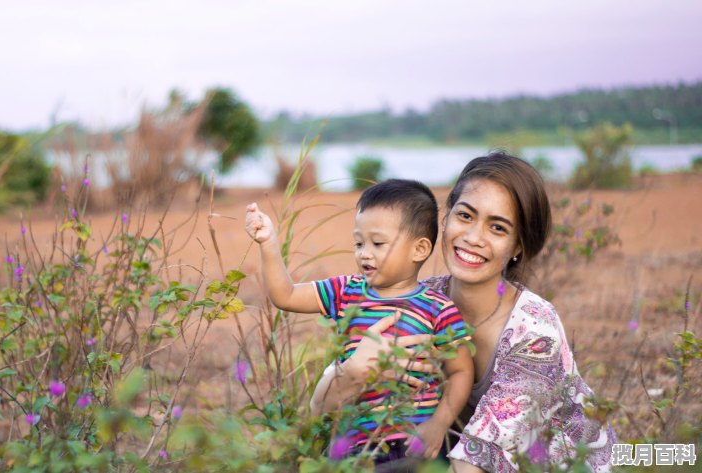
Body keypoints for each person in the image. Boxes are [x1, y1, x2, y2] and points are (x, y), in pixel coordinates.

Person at [311, 153, 615, 472]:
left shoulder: (535, 334)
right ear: (446, 218)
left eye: (497, 228)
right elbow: (319, 412)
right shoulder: (418, 299)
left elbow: (476, 464)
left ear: (518, 247)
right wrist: (353, 372)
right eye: (466, 216)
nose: (472, 237)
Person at [245, 179, 474, 465]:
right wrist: (268, 243)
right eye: (358, 242)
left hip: (415, 445)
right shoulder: (346, 291)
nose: (364, 252)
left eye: (377, 243)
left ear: (419, 249)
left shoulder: (438, 308)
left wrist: (440, 423)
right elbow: (286, 295)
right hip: (354, 449)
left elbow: (461, 371)